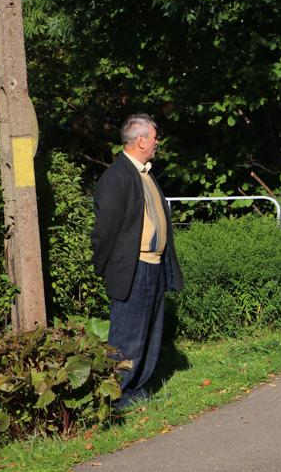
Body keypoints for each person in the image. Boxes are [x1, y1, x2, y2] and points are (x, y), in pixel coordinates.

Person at [91, 114, 184, 409]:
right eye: (155, 137)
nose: (158, 142)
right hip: (133, 268)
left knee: (150, 333)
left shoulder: (145, 172)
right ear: (141, 140)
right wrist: (105, 267)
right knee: (126, 337)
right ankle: (115, 397)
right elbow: (103, 231)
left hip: (154, 266)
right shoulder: (117, 176)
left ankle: (138, 389)